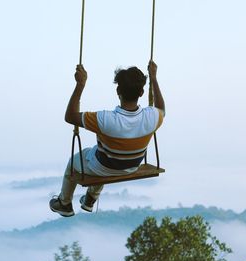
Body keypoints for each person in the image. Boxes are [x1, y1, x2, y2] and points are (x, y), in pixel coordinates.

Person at [49, 60, 165, 217]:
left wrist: (80, 85)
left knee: (78, 161)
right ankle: (90, 199)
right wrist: (154, 78)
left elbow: (70, 116)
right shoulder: (152, 116)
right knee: (101, 154)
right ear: (142, 93)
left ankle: (64, 203)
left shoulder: (105, 120)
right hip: (132, 166)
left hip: (104, 167)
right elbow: (161, 109)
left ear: (118, 91)